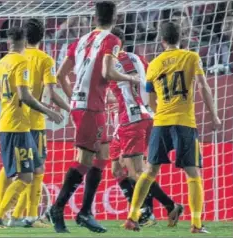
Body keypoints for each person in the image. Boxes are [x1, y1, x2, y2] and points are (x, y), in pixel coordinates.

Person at [48, 1, 141, 233]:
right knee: (85, 160)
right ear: (115, 18)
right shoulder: (113, 40)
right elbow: (107, 72)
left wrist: (73, 101)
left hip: (89, 105)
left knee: (103, 155)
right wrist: (131, 79)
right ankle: (57, 208)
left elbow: (61, 75)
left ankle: (85, 212)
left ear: (94, 18)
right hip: (89, 107)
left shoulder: (80, 41)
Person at [124, 22, 221, 234]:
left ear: (162, 40)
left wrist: (161, 112)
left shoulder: (154, 64)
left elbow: (149, 99)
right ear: (181, 38)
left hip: (161, 122)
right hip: (184, 122)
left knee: (149, 171)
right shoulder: (191, 57)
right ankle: (196, 224)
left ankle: (132, 217)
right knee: (193, 173)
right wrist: (214, 116)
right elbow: (203, 87)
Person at [106, 27, 182, 229]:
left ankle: (167, 206)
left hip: (131, 118)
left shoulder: (110, 62)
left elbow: (103, 79)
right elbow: (151, 84)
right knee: (119, 168)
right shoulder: (139, 59)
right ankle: (144, 211)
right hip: (143, 116)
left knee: (136, 172)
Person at [0, 26, 63, 229]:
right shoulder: (22, 62)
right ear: (24, 41)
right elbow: (24, 96)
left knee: (37, 168)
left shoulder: (1, 62)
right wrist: (49, 111)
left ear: (8, 42)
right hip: (17, 125)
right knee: (25, 176)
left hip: (12, 122)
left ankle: (24, 217)